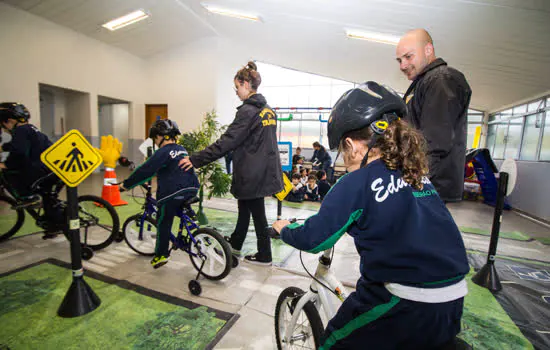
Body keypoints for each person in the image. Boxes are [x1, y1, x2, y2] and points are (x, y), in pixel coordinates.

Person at [272, 82, 469, 349]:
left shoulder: (356, 183)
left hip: (405, 300)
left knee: (332, 341)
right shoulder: (415, 173)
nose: (344, 158)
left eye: (342, 151)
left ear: (352, 145)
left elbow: (315, 239)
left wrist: (284, 229)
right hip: (454, 297)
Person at [180, 61, 283, 266]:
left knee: (258, 215)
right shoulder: (268, 110)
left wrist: (195, 159)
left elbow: (227, 141)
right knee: (245, 209)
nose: (236, 92)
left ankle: (265, 255)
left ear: (246, 84)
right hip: (263, 170)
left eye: (237, 87)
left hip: (252, 172)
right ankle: (235, 244)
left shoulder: (248, 111)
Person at [396, 29, 471, 203]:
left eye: (408, 57)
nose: (402, 65)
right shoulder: (423, 83)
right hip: (421, 181)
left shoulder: (441, 80)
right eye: (399, 60)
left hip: (428, 185)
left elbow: (433, 142)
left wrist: (414, 184)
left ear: (428, 50)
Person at [120, 119, 199, 268]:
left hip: (172, 192)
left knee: (164, 221)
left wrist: (126, 185)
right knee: (182, 208)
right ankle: (198, 229)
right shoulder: (182, 149)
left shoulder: (163, 151)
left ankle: (161, 255)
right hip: (192, 187)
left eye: (155, 138)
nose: (155, 142)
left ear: (160, 137)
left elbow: (146, 170)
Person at [0, 102, 64, 238]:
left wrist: (6, 165)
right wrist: (3, 148)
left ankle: (27, 196)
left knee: (10, 173)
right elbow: (17, 144)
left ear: (9, 121)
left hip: (43, 169)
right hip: (55, 168)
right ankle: (53, 224)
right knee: (48, 196)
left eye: (3, 126)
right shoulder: (31, 129)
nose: (4, 130)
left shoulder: (20, 131)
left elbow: (19, 153)